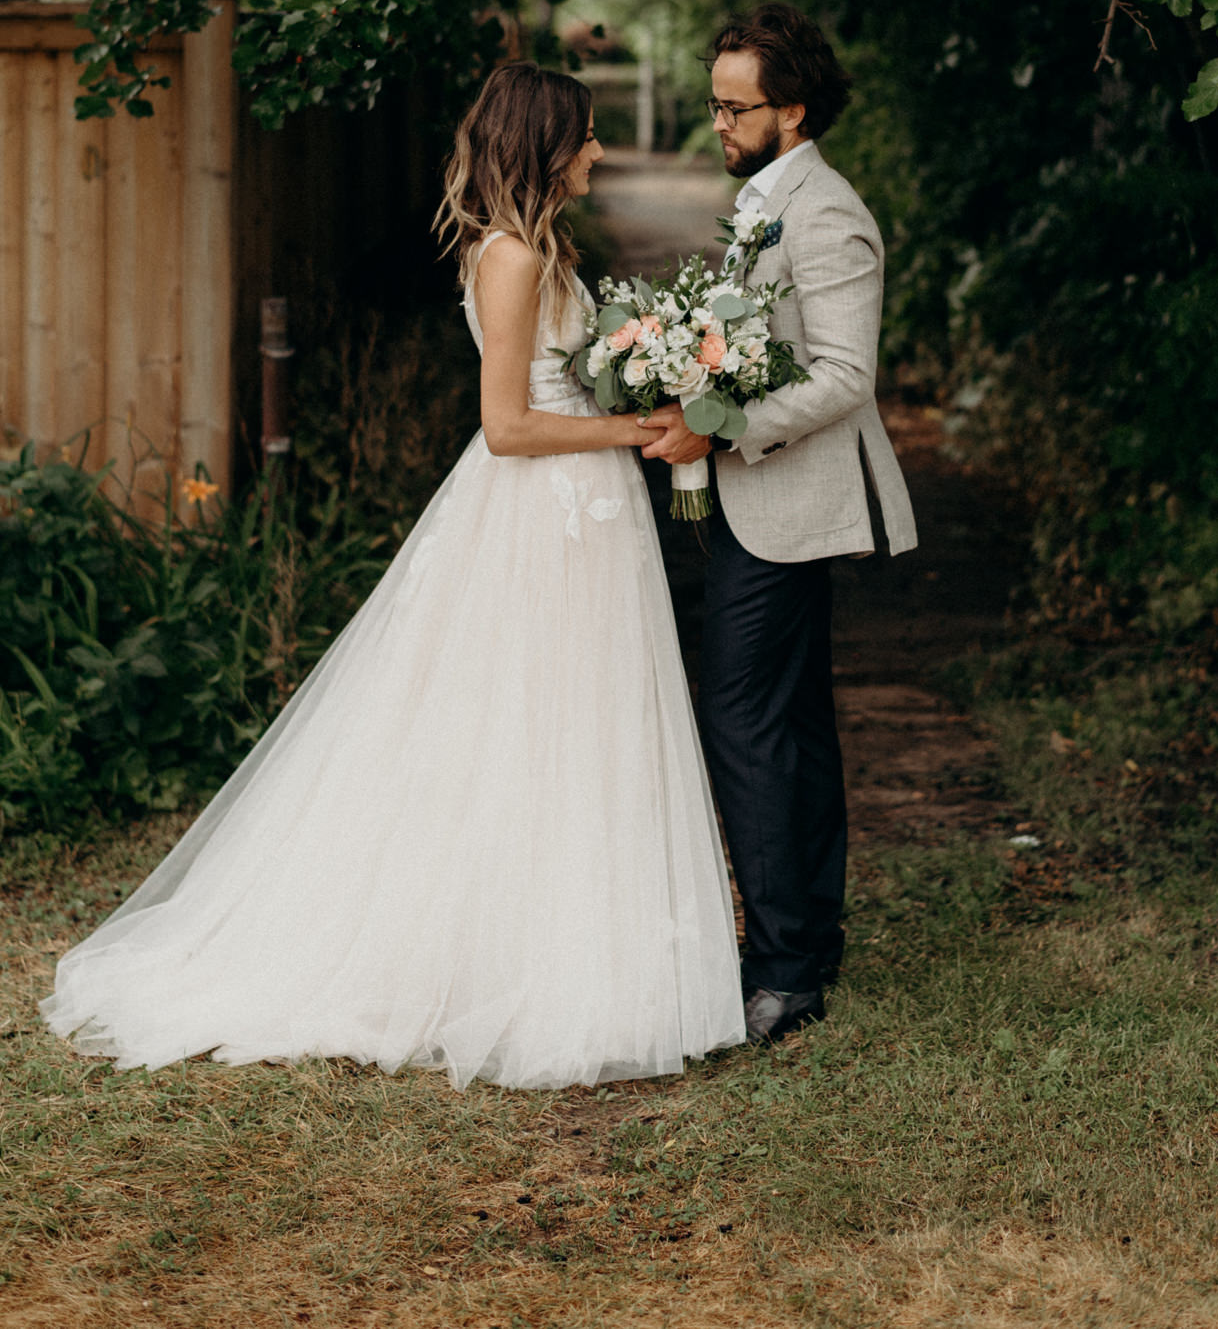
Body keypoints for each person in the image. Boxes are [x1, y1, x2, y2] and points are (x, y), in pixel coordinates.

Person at [42, 63, 745, 1090]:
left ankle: (568, 939)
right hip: (538, 514)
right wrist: (638, 424)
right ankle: (491, 959)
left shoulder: (543, 249)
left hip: (586, 514)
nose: (598, 151)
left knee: (576, 723)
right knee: (514, 721)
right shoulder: (508, 257)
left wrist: (644, 383)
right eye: (586, 137)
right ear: (545, 146)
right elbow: (504, 427)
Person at [643, 4, 918, 1044]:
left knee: (745, 721)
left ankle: (782, 971)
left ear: (790, 110)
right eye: (711, 103)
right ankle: (809, 937)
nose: (716, 122)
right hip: (758, 502)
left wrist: (718, 432)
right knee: (789, 721)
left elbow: (847, 376)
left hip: (787, 501)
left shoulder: (824, 212)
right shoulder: (765, 200)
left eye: (733, 107)